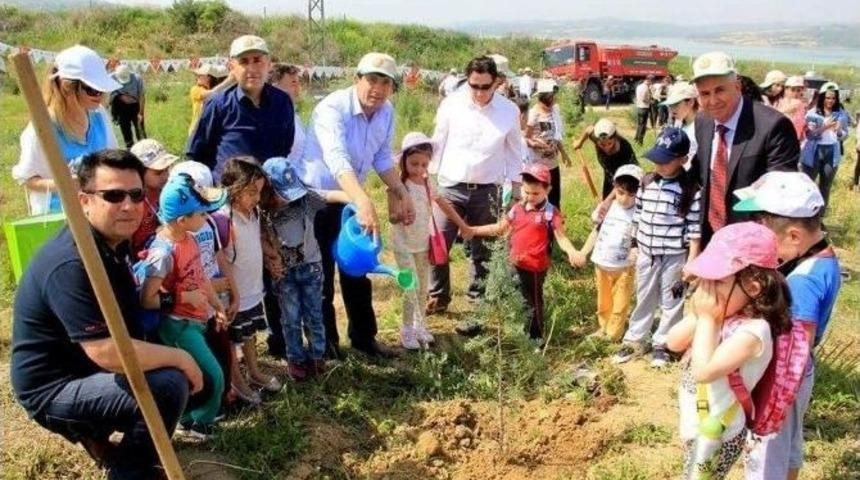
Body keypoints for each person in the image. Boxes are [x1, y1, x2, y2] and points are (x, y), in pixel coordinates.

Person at [10, 149, 199, 479]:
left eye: (136, 194)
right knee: (168, 385)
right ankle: (129, 470)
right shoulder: (71, 262)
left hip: (84, 366)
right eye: (113, 195)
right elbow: (106, 351)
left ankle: (98, 437)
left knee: (181, 379)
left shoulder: (113, 241)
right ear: (84, 201)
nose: (128, 205)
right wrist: (180, 358)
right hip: (53, 387)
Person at [295, 52, 415, 359]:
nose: (377, 88)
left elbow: (382, 157)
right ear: (356, 79)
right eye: (371, 80)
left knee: (357, 269)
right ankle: (326, 346)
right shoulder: (331, 109)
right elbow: (337, 158)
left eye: (385, 82)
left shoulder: (386, 112)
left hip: (351, 199)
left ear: (392, 87)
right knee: (319, 273)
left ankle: (364, 338)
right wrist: (362, 199)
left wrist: (400, 189)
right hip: (318, 200)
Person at [731, 172, 841, 480]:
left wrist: (771, 404)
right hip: (799, 379)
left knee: (767, 455)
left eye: (765, 231)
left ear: (794, 236)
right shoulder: (825, 260)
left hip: (784, 380)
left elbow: (797, 351)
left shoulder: (803, 280)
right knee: (789, 446)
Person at [666, 222, 792, 480]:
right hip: (698, 424)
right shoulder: (722, 312)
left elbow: (703, 371)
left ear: (753, 288)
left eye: (718, 282)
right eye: (705, 280)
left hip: (720, 433)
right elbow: (674, 342)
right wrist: (701, 315)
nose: (707, 290)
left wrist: (708, 319)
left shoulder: (754, 332)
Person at [426, 54, 525, 320]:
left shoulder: (509, 111)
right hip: (450, 186)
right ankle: (438, 295)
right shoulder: (451, 105)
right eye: (474, 86)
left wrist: (516, 193)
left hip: (487, 189)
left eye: (485, 86)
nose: (479, 92)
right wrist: (427, 181)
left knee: (483, 250)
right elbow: (438, 142)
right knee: (437, 244)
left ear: (497, 82)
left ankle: (477, 299)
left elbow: (516, 154)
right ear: (467, 81)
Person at [139, 173, 229, 441]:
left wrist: (216, 306)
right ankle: (198, 425)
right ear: (182, 220)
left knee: (203, 373)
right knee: (213, 375)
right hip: (177, 325)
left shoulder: (189, 239)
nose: (207, 218)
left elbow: (200, 276)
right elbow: (147, 299)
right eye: (202, 213)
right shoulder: (163, 253)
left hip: (197, 320)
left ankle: (189, 421)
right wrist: (182, 298)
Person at [689, 51, 799, 244]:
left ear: (737, 86)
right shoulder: (703, 121)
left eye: (720, 90)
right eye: (705, 94)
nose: (713, 101)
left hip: (750, 242)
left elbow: (781, 194)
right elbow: (702, 174)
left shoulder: (772, 126)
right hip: (710, 237)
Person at [613, 128, 702, 368]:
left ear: (683, 160)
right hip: (646, 253)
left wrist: (692, 259)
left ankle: (663, 343)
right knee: (644, 295)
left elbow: (694, 228)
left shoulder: (690, 190)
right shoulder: (646, 182)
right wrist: (634, 245)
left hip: (674, 255)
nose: (659, 165)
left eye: (666, 161)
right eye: (656, 159)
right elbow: (638, 216)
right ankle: (635, 338)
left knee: (672, 298)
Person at [168, 161, 250, 407]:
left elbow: (218, 256)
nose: (207, 214)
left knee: (222, 349)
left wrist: (231, 293)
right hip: (189, 311)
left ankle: (224, 395)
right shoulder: (174, 241)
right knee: (203, 360)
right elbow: (175, 281)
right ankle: (204, 409)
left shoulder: (211, 224)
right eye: (202, 210)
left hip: (214, 302)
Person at [260, 157, 349, 379]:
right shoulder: (263, 210)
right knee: (290, 318)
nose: (286, 200)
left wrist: (354, 199)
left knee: (314, 314)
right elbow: (260, 235)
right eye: (282, 195)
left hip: (311, 268)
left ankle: (317, 357)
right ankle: (296, 360)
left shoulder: (307, 199)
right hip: (284, 273)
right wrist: (271, 257)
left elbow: (329, 195)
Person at [472, 164, 578, 342]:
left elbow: (561, 238)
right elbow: (500, 228)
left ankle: (536, 339)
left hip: (534, 268)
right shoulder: (517, 208)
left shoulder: (551, 213)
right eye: (526, 192)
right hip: (514, 263)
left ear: (548, 190)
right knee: (515, 298)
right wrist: (472, 230)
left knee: (533, 303)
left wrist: (572, 252)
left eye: (535, 194)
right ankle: (518, 331)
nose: (530, 197)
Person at [388, 132, 474, 349]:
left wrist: (462, 225)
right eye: (414, 163)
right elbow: (391, 216)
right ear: (404, 160)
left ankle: (420, 326)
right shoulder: (397, 185)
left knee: (423, 287)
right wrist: (402, 216)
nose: (418, 169)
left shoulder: (428, 184)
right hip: (403, 245)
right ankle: (406, 330)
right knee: (410, 286)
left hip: (422, 244)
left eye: (423, 164)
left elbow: (444, 204)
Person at [13, 44, 120, 216]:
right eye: (92, 89)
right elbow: (28, 180)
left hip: (99, 215)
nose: (99, 95)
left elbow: (114, 158)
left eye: (101, 89)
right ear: (67, 87)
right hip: (60, 220)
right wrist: (63, 184)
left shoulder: (99, 115)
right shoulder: (41, 129)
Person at [186, 35, 294, 182]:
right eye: (244, 61)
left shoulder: (282, 102)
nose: (252, 68)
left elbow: (284, 148)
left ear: (269, 64)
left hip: (270, 194)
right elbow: (197, 155)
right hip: (230, 197)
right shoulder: (218, 105)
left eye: (257, 60)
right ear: (232, 67)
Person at [219, 157, 284, 391]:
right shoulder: (223, 218)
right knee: (232, 338)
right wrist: (229, 292)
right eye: (251, 193)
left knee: (249, 334)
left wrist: (270, 258)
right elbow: (220, 258)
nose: (257, 198)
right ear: (233, 189)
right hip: (233, 293)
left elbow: (256, 240)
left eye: (259, 192)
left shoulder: (253, 212)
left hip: (253, 288)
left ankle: (254, 371)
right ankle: (237, 380)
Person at [572, 164, 643, 341]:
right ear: (614, 189)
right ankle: (603, 327)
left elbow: (640, 240)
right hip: (602, 263)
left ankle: (613, 335)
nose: (625, 199)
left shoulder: (640, 213)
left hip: (624, 267)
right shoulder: (607, 208)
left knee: (620, 303)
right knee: (603, 302)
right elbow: (596, 232)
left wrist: (637, 255)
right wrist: (583, 252)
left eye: (631, 194)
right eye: (620, 193)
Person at [800, 83, 850, 210]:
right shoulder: (812, 113)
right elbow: (809, 135)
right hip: (814, 152)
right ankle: (805, 214)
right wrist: (824, 127)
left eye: (833, 98)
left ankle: (820, 217)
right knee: (808, 185)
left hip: (832, 153)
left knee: (825, 186)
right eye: (828, 98)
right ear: (822, 97)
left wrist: (838, 131)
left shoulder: (841, 114)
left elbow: (845, 135)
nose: (830, 101)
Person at [524, 79, 571, 209]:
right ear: (544, 97)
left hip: (552, 163)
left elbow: (556, 136)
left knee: (555, 197)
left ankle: (554, 224)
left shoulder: (554, 111)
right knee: (537, 198)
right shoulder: (534, 114)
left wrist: (564, 154)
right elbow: (525, 138)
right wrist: (536, 145)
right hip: (537, 165)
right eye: (551, 96)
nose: (554, 99)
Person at [129, 139, 179, 257]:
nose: (166, 176)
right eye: (158, 172)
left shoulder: (167, 191)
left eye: (167, 169)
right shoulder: (134, 203)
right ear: (139, 173)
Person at [572, 118, 638, 199]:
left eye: (610, 143)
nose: (606, 148)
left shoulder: (624, 150)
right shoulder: (595, 136)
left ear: (615, 138)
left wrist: (607, 201)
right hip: (609, 177)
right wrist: (579, 143)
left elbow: (625, 181)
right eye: (602, 144)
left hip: (627, 181)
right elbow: (589, 129)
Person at [269, 63, 305, 165]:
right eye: (293, 82)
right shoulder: (271, 119)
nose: (298, 87)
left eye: (298, 82)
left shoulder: (294, 116)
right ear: (276, 87)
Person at [661, 81, 699, 168]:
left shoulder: (701, 129)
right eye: (669, 105)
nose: (671, 109)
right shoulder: (679, 125)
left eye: (675, 104)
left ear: (690, 102)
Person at [188, 64, 233, 135]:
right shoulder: (196, 89)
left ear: (209, 77)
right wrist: (228, 82)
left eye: (200, 75)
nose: (197, 77)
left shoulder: (225, 94)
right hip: (198, 132)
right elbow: (210, 94)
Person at [109, 64, 146, 149]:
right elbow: (107, 95)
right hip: (121, 107)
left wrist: (140, 113)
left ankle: (144, 149)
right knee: (126, 131)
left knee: (140, 129)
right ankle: (130, 150)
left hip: (135, 106)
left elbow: (141, 97)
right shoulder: (111, 78)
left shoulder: (137, 79)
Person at [778, 75, 808, 141]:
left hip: (795, 141)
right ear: (786, 89)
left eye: (799, 90)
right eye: (793, 90)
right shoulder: (779, 102)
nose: (796, 93)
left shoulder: (802, 105)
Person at [634, 75, 653, 144]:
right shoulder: (645, 88)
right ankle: (640, 141)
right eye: (651, 81)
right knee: (643, 125)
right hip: (644, 108)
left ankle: (636, 138)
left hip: (639, 107)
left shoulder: (639, 86)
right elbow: (644, 99)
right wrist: (650, 101)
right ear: (648, 80)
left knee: (639, 124)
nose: (651, 83)